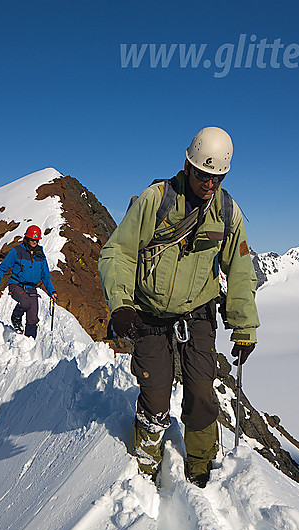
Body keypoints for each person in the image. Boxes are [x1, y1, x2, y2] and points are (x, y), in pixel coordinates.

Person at [99, 126, 259, 487]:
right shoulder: (156, 200)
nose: (209, 184)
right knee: (155, 395)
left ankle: (200, 467)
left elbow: (240, 269)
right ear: (187, 166)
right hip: (150, 313)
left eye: (217, 178)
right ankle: (146, 461)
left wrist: (244, 327)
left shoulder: (227, 213)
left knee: (202, 393)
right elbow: (118, 251)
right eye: (203, 175)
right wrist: (121, 305)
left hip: (198, 312)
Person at [0, 225, 57, 338]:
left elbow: (46, 276)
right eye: (32, 239)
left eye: (36, 239)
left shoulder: (40, 255)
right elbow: (3, 267)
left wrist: (52, 291)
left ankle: (29, 342)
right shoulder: (17, 251)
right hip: (16, 284)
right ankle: (15, 318)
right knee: (25, 302)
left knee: (33, 318)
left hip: (31, 288)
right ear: (26, 238)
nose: (34, 241)